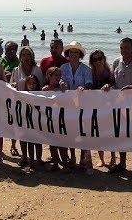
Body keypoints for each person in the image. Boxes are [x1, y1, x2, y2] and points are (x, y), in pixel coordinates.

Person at [102, 38, 132, 176]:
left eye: (127, 48)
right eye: (121, 48)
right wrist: (107, 86)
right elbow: (112, 81)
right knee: (120, 135)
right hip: (119, 105)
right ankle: (122, 163)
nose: (124, 51)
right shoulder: (116, 62)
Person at [60, 41, 93, 172]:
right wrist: (62, 84)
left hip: (82, 105)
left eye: (76, 52)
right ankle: (72, 157)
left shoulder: (86, 69)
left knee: (83, 132)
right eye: (71, 52)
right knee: (70, 131)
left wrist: (84, 87)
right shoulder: (63, 68)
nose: (73, 54)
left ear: (80, 54)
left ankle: (82, 158)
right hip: (68, 104)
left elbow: (90, 83)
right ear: (68, 54)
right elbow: (61, 81)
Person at [89, 49, 116, 167]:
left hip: (109, 107)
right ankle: (101, 159)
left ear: (104, 59)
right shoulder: (90, 73)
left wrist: (109, 85)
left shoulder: (110, 72)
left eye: (100, 58)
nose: (98, 61)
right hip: (95, 107)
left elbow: (115, 85)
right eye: (95, 59)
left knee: (110, 134)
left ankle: (113, 157)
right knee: (98, 133)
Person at [42, 67, 69, 171]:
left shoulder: (62, 87)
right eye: (55, 75)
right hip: (49, 118)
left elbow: (66, 94)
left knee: (62, 143)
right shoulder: (45, 88)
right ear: (49, 76)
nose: (58, 77)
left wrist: (61, 88)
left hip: (61, 118)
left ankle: (65, 165)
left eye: (59, 75)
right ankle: (56, 163)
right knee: (52, 143)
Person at [18, 75, 43, 169]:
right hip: (25, 121)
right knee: (26, 141)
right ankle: (28, 159)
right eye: (29, 83)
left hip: (37, 122)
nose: (32, 85)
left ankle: (38, 159)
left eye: (34, 83)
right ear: (26, 84)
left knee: (38, 141)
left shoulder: (41, 94)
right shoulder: (22, 94)